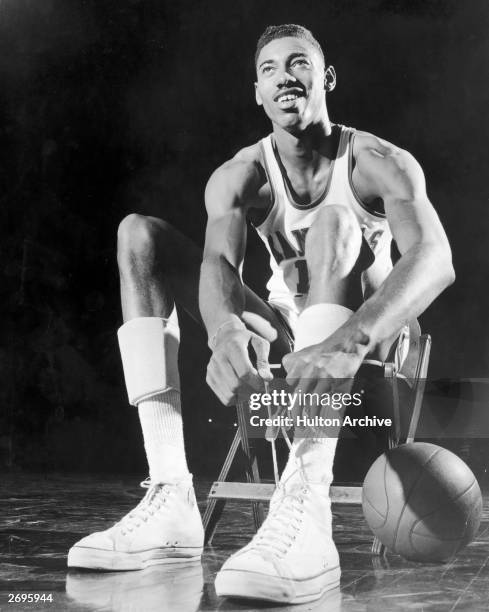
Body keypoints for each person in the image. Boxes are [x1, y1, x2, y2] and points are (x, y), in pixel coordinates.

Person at [67, 24, 454, 604]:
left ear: (324, 79)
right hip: (294, 329)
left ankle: (306, 502)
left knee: (334, 223)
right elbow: (217, 264)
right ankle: (171, 496)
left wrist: (348, 340)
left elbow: (436, 257)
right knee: (138, 236)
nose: (283, 77)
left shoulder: (376, 161)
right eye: (269, 69)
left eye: (297, 63)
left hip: (372, 334)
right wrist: (224, 330)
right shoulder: (240, 174)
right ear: (257, 91)